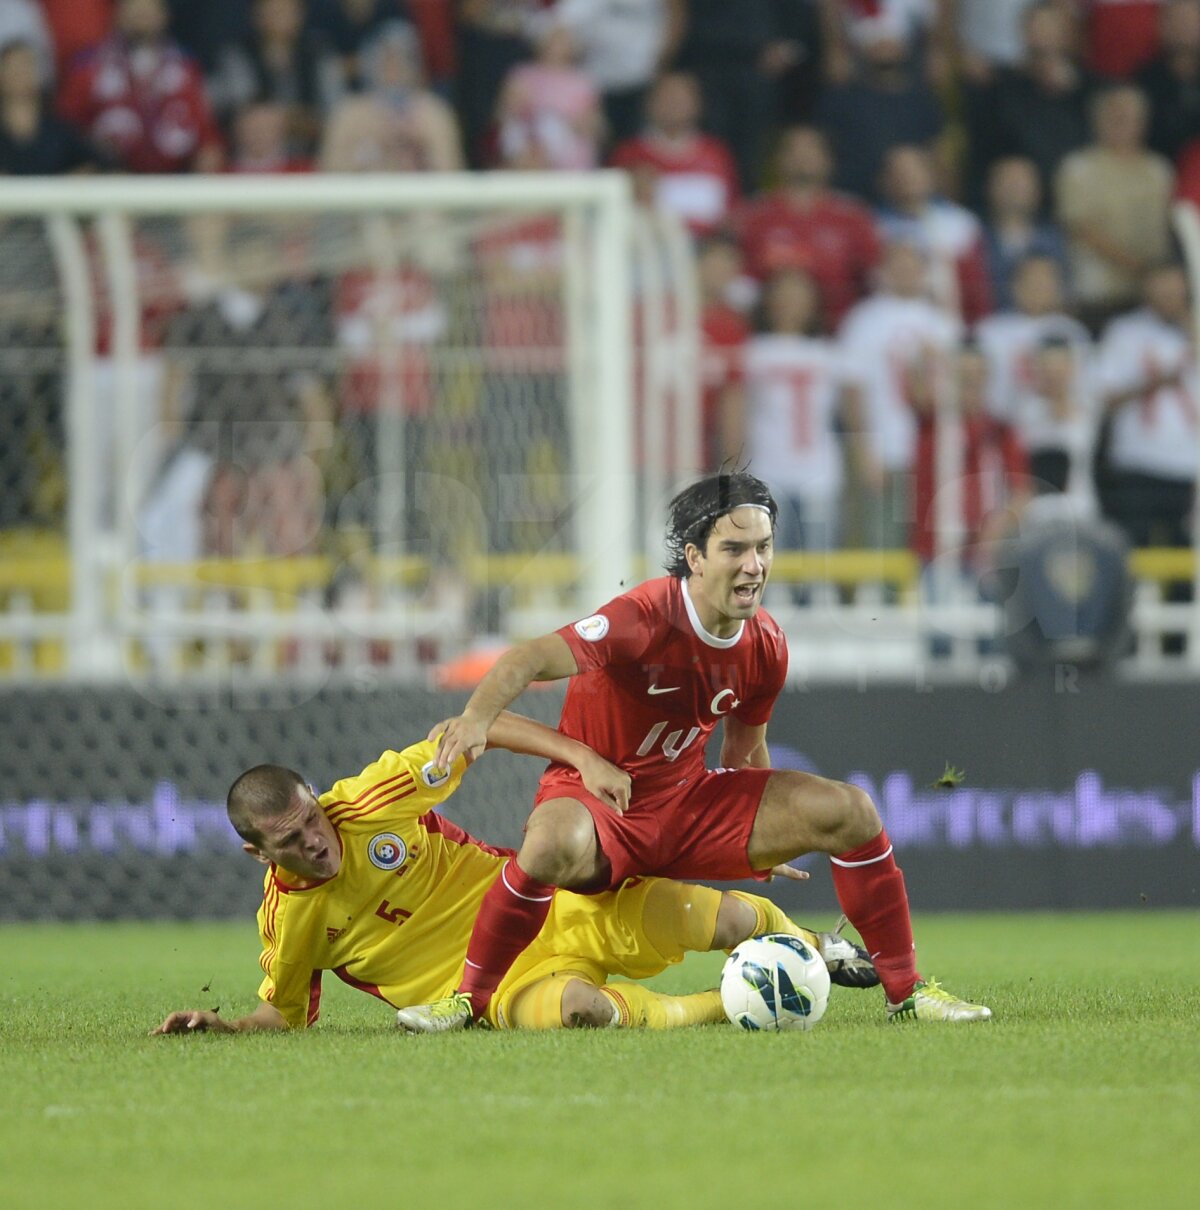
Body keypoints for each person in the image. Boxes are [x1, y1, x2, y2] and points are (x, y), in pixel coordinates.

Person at [396, 471, 992, 1032]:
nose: (754, 565)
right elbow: (527, 658)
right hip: (599, 804)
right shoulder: (642, 619)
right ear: (695, 557)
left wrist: (761, 832)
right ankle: (466, 1002)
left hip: (685, 805)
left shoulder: (766, 645)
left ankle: (908, 993)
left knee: (852, 811)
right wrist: (477, 719)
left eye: (764, 548)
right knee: (549, 845)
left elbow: (746, 750)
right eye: (735, 549)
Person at [150, 712, 877, 1036]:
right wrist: (228, 1027)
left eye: (312, 817)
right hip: (492, 990)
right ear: (258, 855)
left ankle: (816, 945)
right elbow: (284, 1013)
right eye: (291, 839)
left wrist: (581, 758)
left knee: (731, 917)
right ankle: (736, 1004)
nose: (316, 840)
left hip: (551, 909)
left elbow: (479, 726)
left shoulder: (375, 796)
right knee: (581, 1013)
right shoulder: (287, 920)